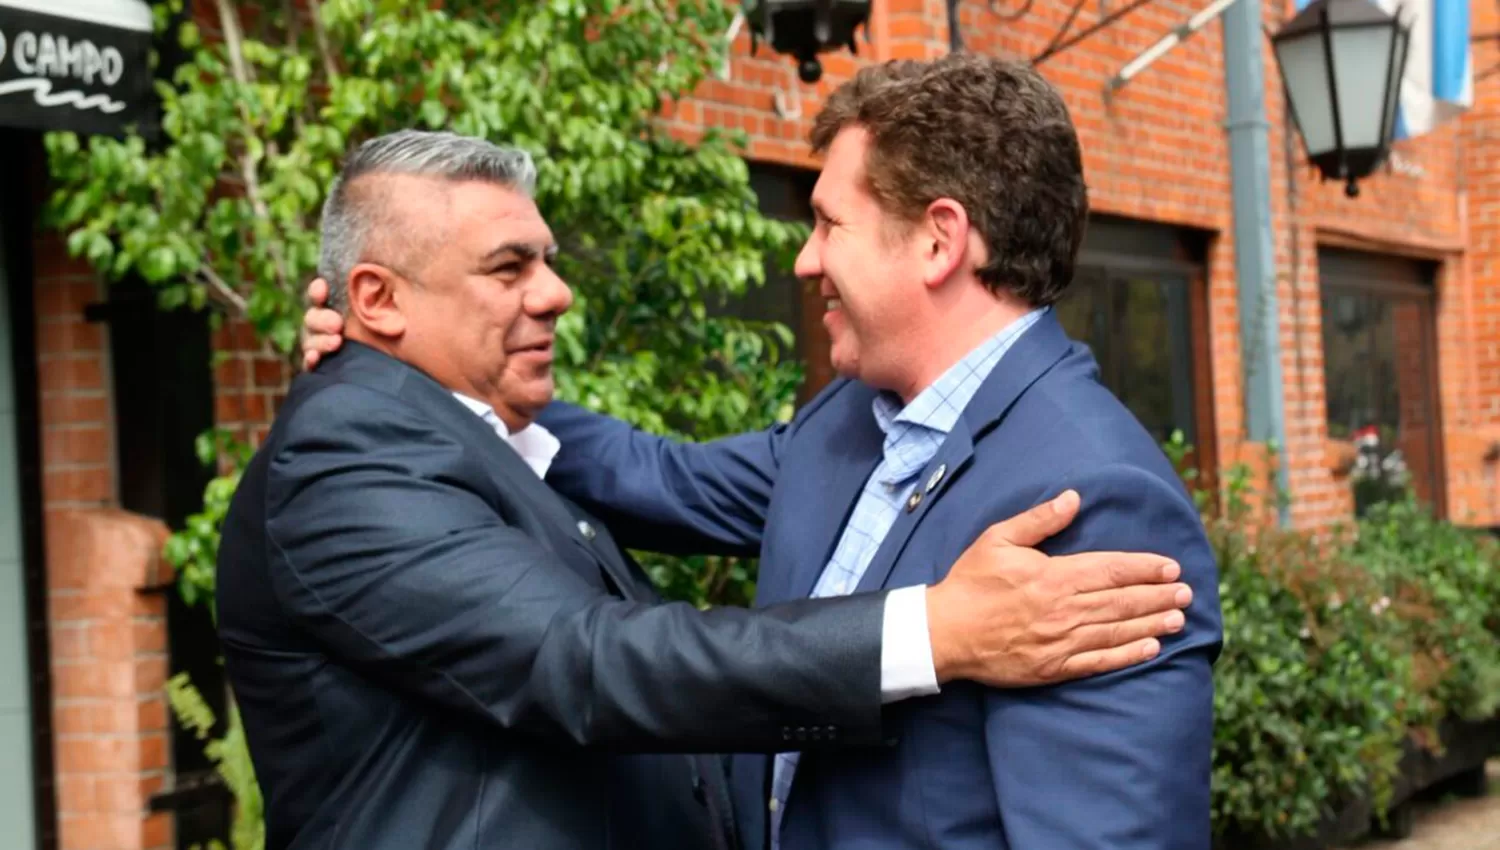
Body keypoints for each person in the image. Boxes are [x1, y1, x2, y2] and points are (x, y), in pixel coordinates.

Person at [241, 128, 1192, 850]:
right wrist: (937, 631)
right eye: (508, 267)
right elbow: (588, 658)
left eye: (825, 222)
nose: (802, 258)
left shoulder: (1086, 485)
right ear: (377, 299)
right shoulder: (344, 459)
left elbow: (1104, 821)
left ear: (939, 242)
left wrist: (436, 382)